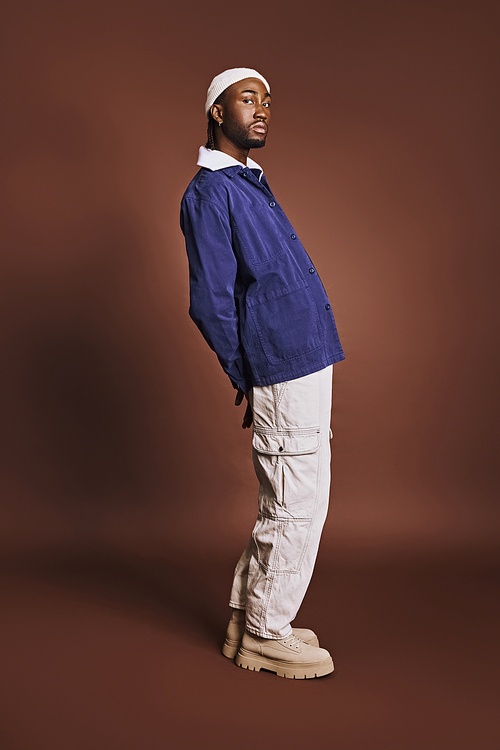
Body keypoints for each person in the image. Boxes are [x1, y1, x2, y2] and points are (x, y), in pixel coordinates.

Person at [180, 68, 344, 679]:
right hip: (280, 363)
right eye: (248, 99)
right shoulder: (210, 192)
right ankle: (264, 634)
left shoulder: (249, 183)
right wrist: (247, 374)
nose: (263, 109)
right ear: (217, 112)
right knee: (296, 504)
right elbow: (210, 300)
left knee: (297, 496)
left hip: (305, 356)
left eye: (267, 99)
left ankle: (247, 616)